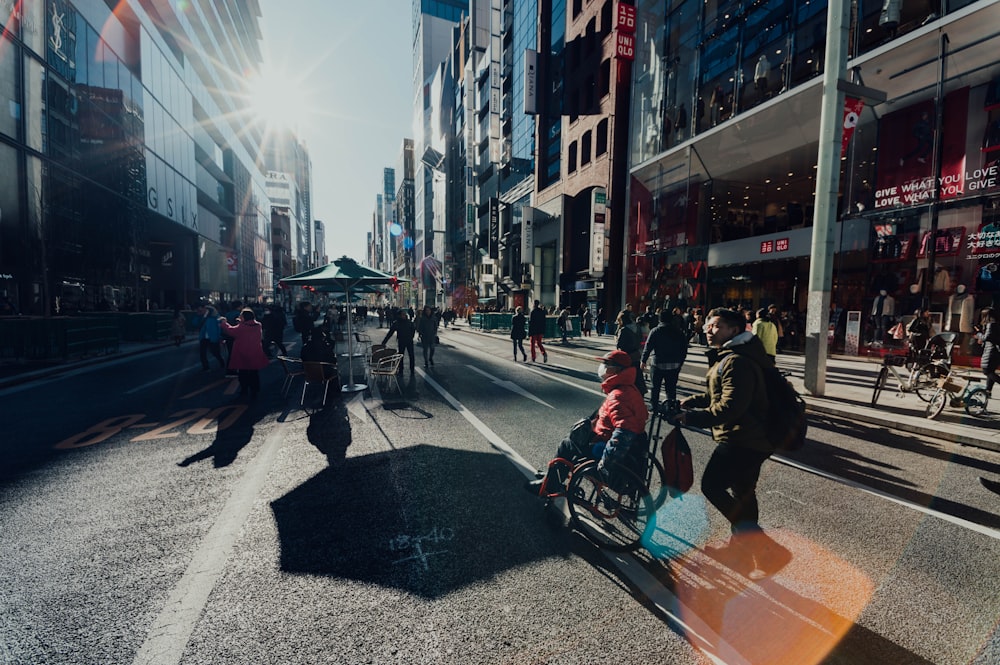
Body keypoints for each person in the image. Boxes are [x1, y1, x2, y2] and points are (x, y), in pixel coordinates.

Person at [675, 308, 780, 566]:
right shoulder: (734, 355)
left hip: (743, 438)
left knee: (711, 485)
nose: (708, 330)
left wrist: (692, 418)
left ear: (734, 330)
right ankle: (741, 552)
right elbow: (720, 393)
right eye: (708, 325)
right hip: (755, 437)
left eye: (716, 326)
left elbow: (731, 406)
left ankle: (759, 543)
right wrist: (692, 401)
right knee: (744, 491)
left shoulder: (737, 361)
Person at [525, 350, 649, 494]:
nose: (602, 367)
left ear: (616, 369)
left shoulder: (618, 396)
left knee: (568, 444)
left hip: (604, 445)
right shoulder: (630, 388)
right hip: (615, 438)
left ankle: (550, 485)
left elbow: (624, 431)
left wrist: (606, 462)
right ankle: (552, 476)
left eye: (606, 364)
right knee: (578, 433)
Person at [640, 310, 689, 409]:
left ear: (660, 319)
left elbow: (648, 347)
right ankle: (670, 407)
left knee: (655, 387)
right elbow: (684, 349)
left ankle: (654, 406)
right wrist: (680, 363)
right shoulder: (678, 332)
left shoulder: (655, 331)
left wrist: (643, 360)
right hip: (674, 364)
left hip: (658, 363)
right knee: (671, 388)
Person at [219, 308, 270, 399]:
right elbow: (246, 327)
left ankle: (244, 390)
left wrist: (224, 323)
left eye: (241, 316)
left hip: (242, 353)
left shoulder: (241, 327)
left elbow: (231, 330)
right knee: (254, 373)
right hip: (255, 352)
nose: (239, 317)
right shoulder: (258, 325)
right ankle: (255, 390)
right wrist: (241, 322)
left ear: (244, 317)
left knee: (243, 373)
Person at [615, 310, 647, 397]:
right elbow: (641, 340)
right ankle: (640, 395)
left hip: (626, 358)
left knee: (627, 379)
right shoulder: (637, 327)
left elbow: (619, 345)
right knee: (638, 378)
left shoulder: (624, 330)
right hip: (637, 356)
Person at [382, 309, 416, 373]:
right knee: (400, 356)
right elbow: (390, 333)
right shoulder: (397, 323)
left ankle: (412, 369)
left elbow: (413, 329)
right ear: (399, 315)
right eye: (403, 314)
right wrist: (384, 342)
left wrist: (411, 337)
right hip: (401, 341)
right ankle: (401, 369)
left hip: (409, 341)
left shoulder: (409, 322)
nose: (404, 315)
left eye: (405, 314)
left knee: (411, 355)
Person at [198, 305, 225, 371]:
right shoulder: (202, 317)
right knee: (202, 353)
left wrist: (220, 337)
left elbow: (219, 328)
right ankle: (206, 366)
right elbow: (195, 323)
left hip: (213, 337)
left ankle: (221, 361)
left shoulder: (216, 317)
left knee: (215, 352)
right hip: (204, 337)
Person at [979, 308, 1000, 394]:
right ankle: (988, 390)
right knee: (991, 371)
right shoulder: (996, 324)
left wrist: (979, 335)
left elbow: (987, 337)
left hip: (992, 350)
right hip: (995, 351)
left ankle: (988, 390)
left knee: (986, 370)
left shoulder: (991, 325)